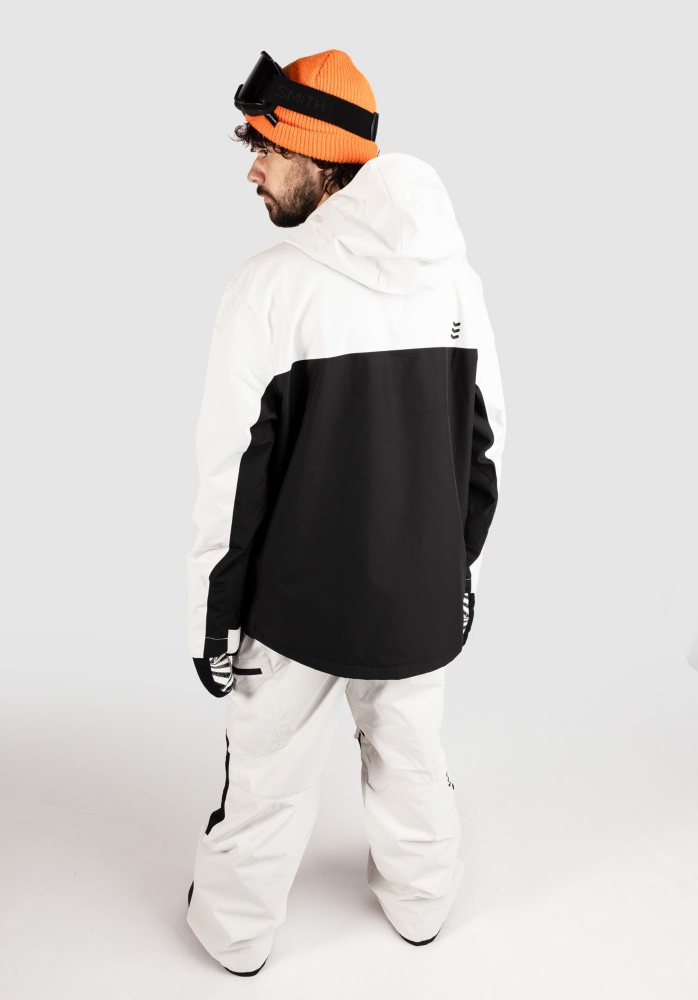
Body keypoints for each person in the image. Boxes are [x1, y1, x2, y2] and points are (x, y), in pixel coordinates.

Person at [185, 48, 506, 976]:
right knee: (412, 761)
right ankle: (422, 908)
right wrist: (453, 575)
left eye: (266, 148)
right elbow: (486, 451)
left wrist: (214, 621)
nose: (251, 170)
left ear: (320, 159)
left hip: (295, 610)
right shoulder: (456, 281)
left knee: (265, 777)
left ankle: (233, 938)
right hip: (416, 598)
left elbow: (229, 479)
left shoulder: (266, 289)